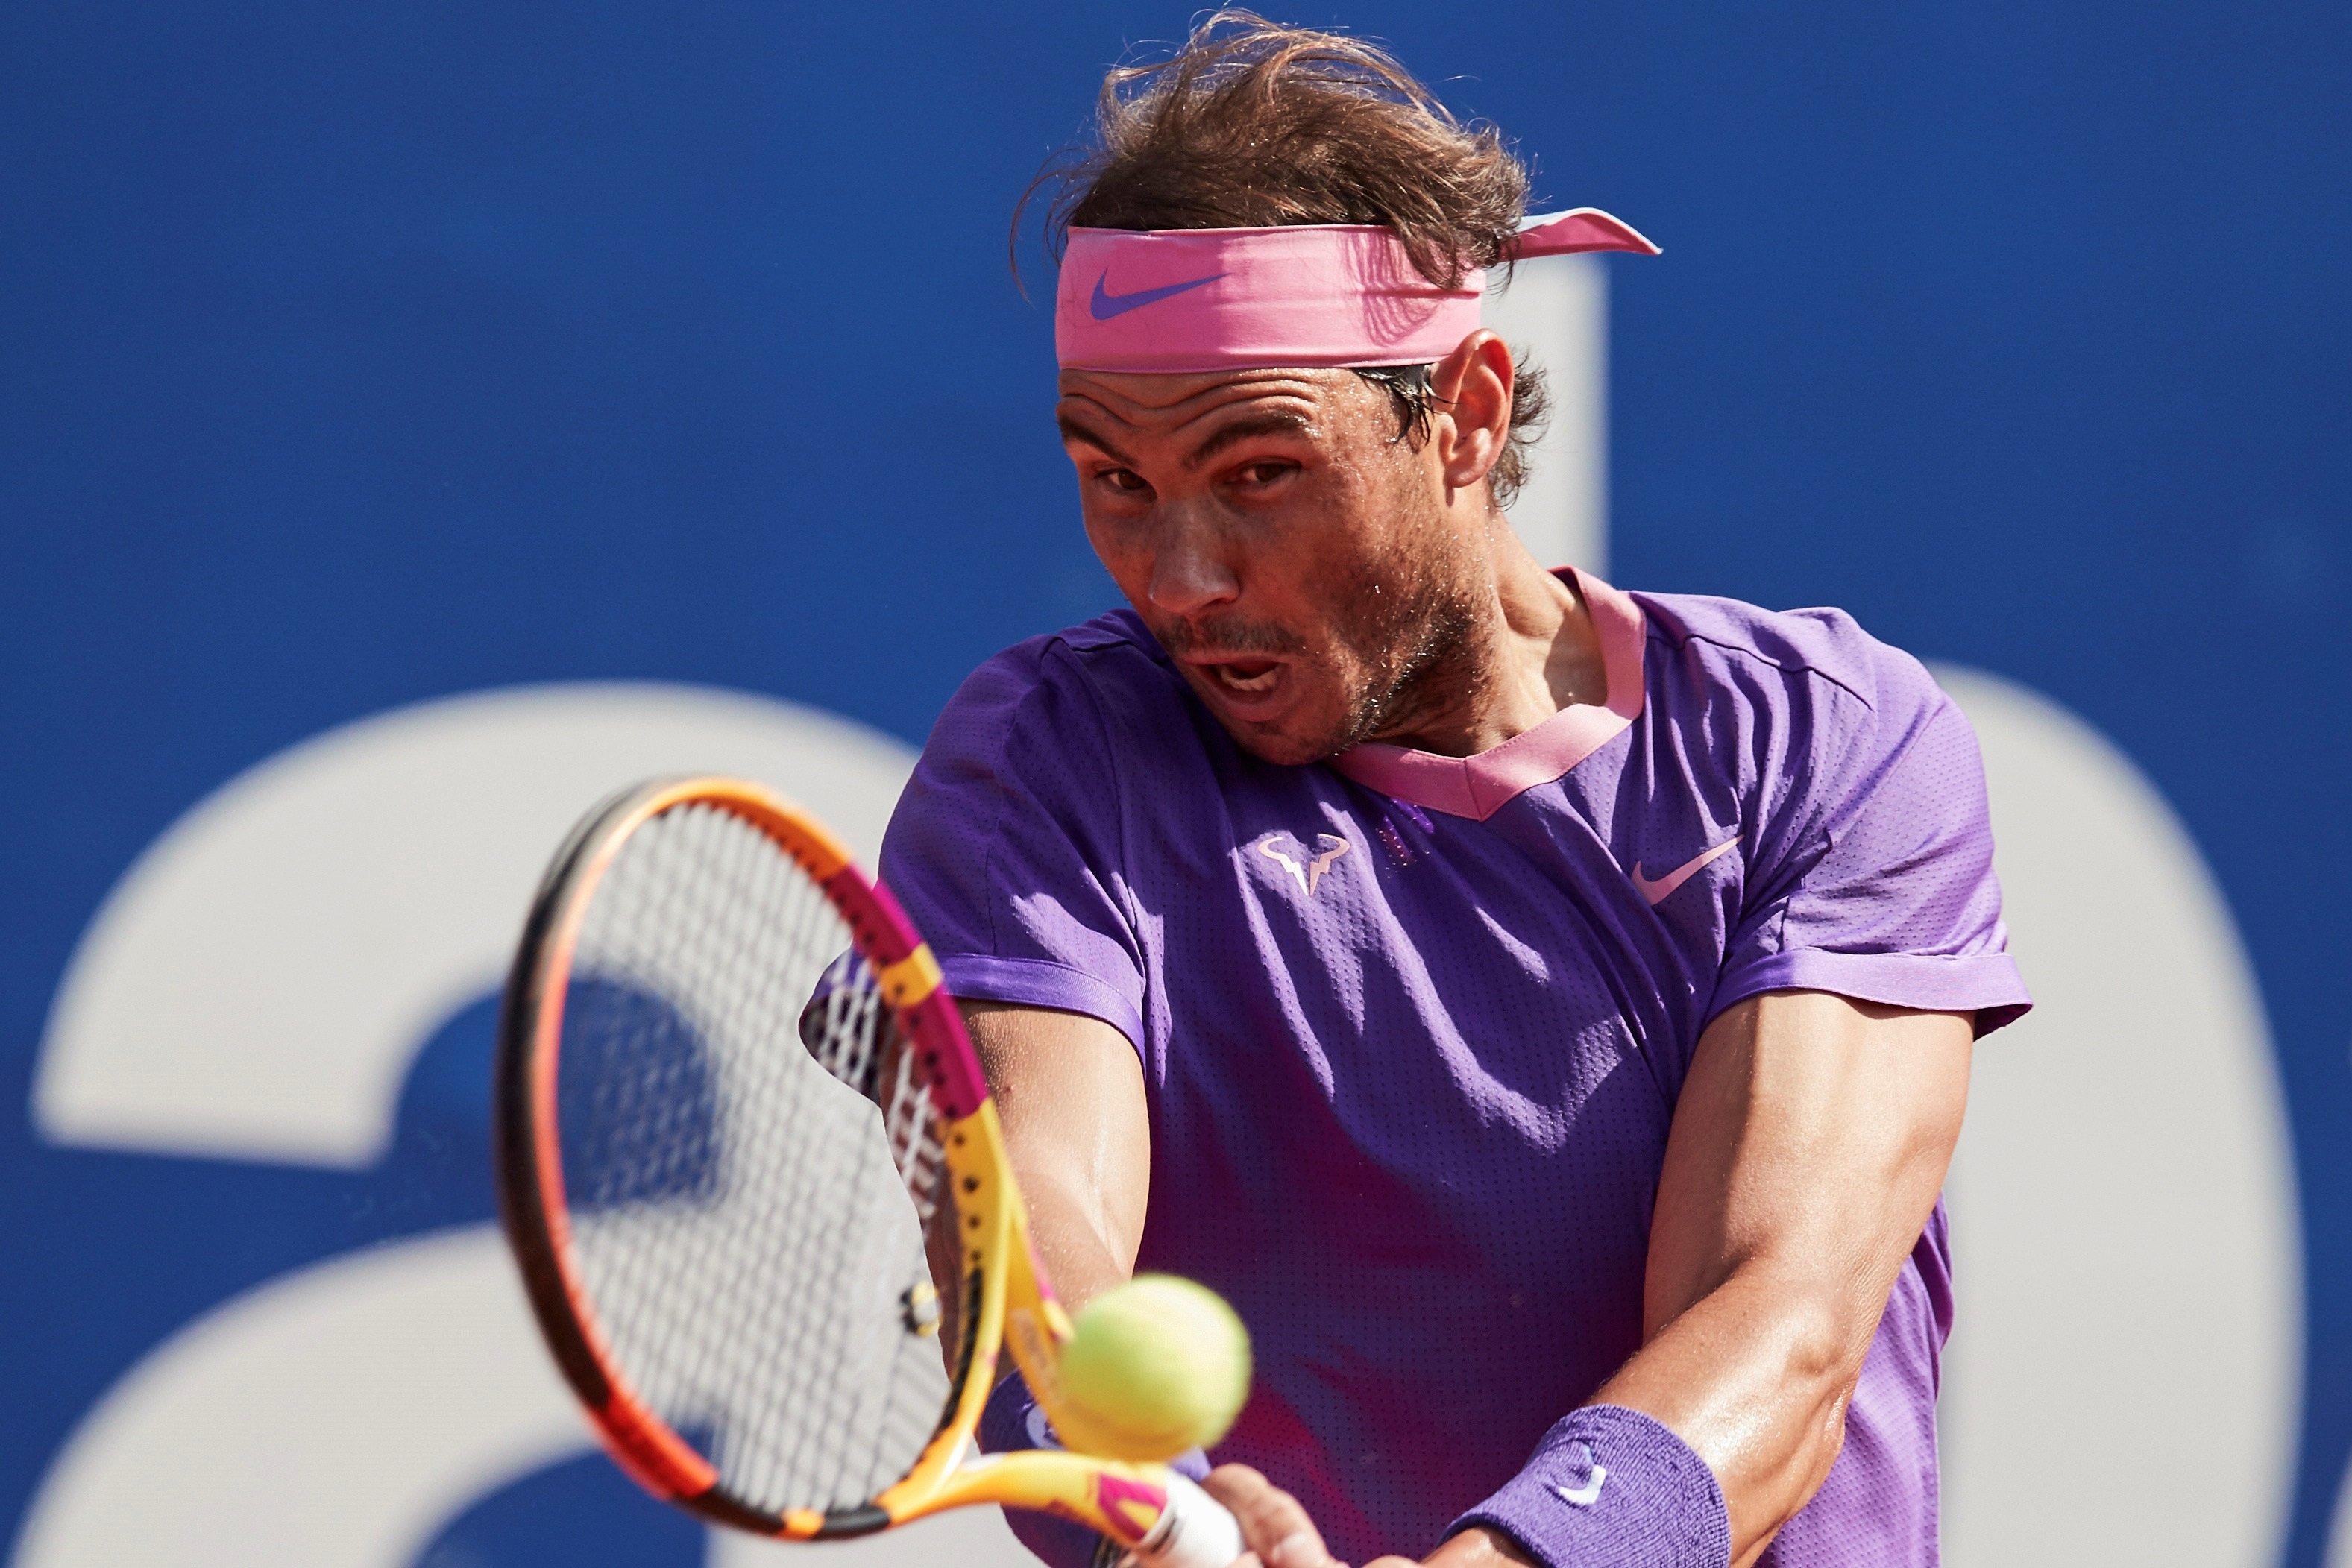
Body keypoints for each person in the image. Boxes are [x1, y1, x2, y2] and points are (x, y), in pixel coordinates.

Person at [880, 14, 2029, 1567]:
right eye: (1114, 479)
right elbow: (1034, 1226)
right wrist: (1169, 1501)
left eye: (1258, 471)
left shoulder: (1820, 743)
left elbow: (1782, 1310)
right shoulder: (1043, 763)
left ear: (1466, 414)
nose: (1181, 573)